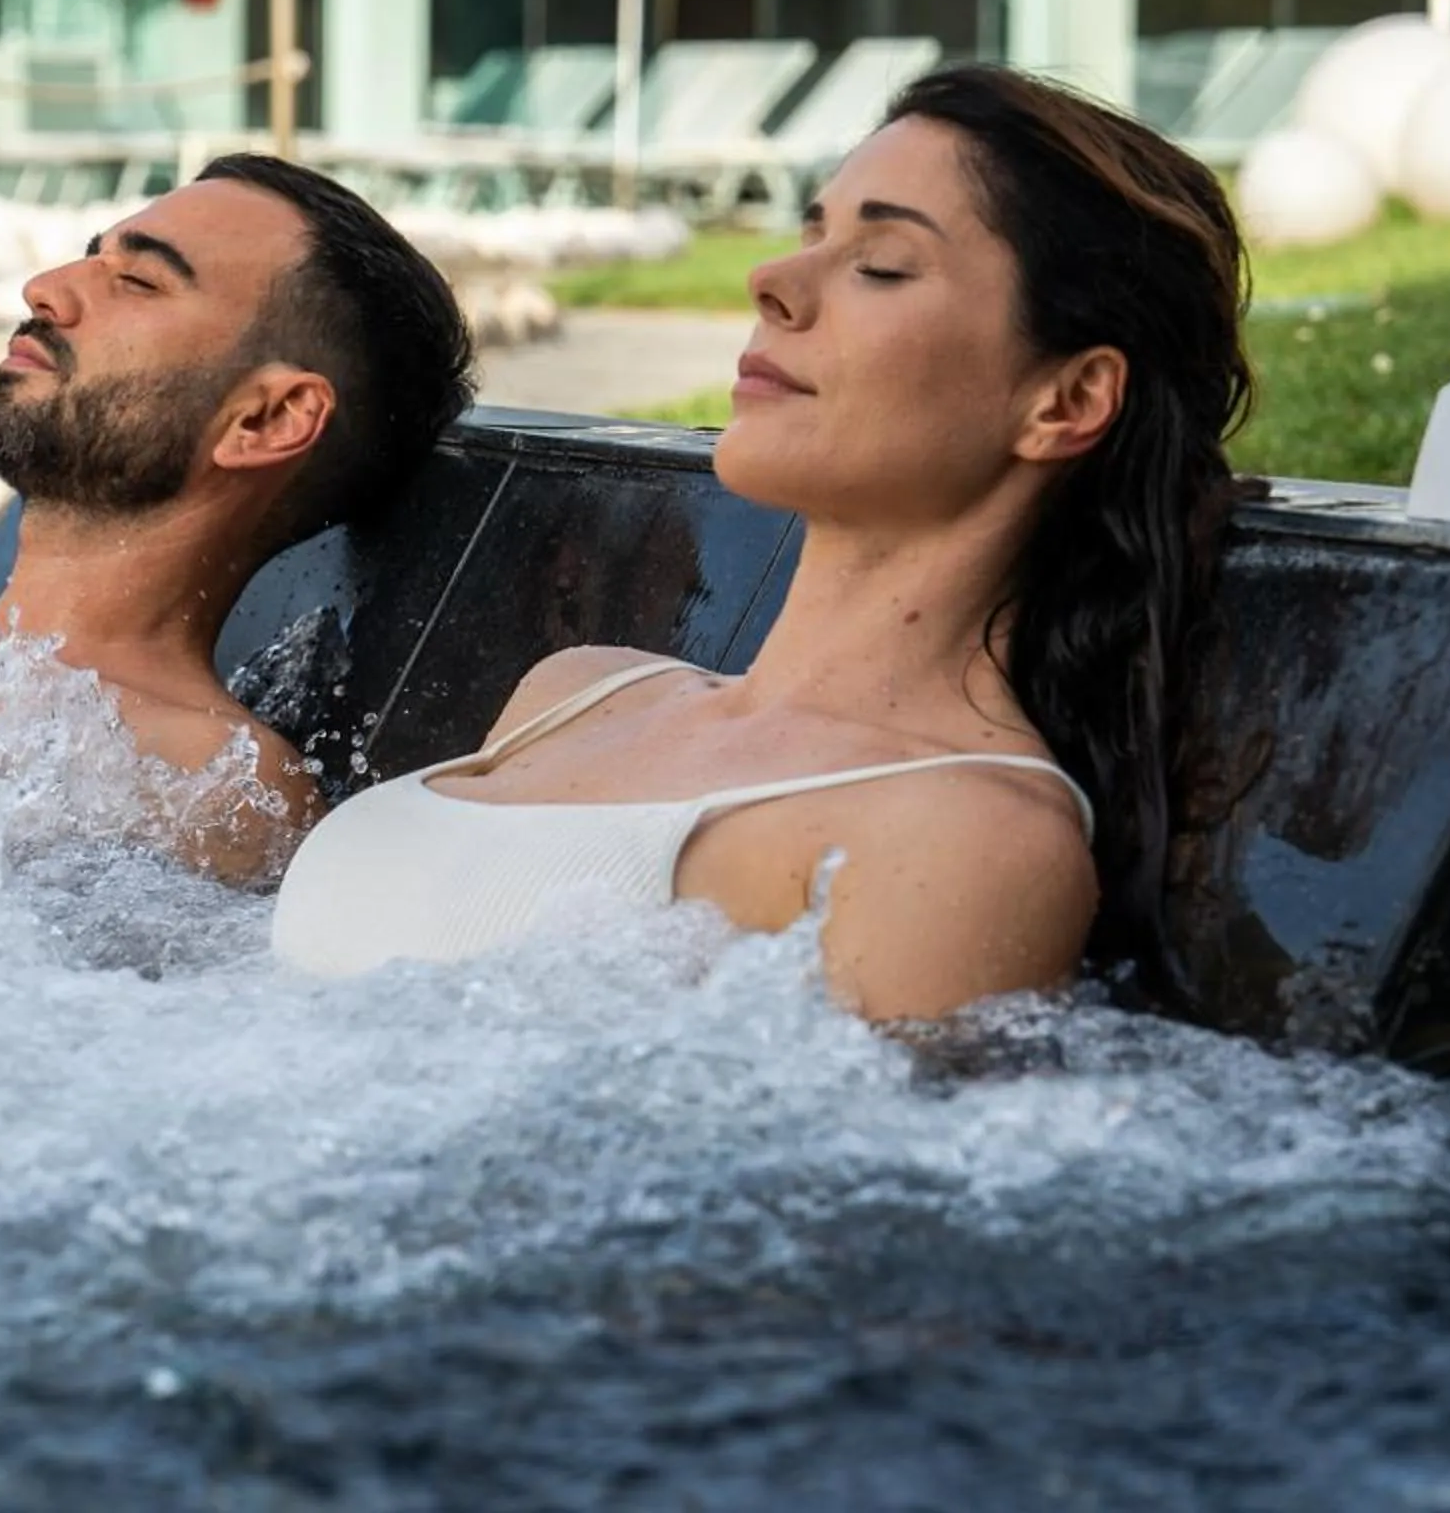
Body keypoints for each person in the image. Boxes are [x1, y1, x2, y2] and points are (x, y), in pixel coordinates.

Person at [271, 66, 1252, 1023]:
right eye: (810, 233)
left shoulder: (965, 836)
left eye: (881, 264)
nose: (772, 282)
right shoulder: (576, 693)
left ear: (1065, 399)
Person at [0, 154, 476, 886]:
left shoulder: (210, 789)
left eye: (137, 281)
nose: (44, 290)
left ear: (266, 418)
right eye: (90, 257)